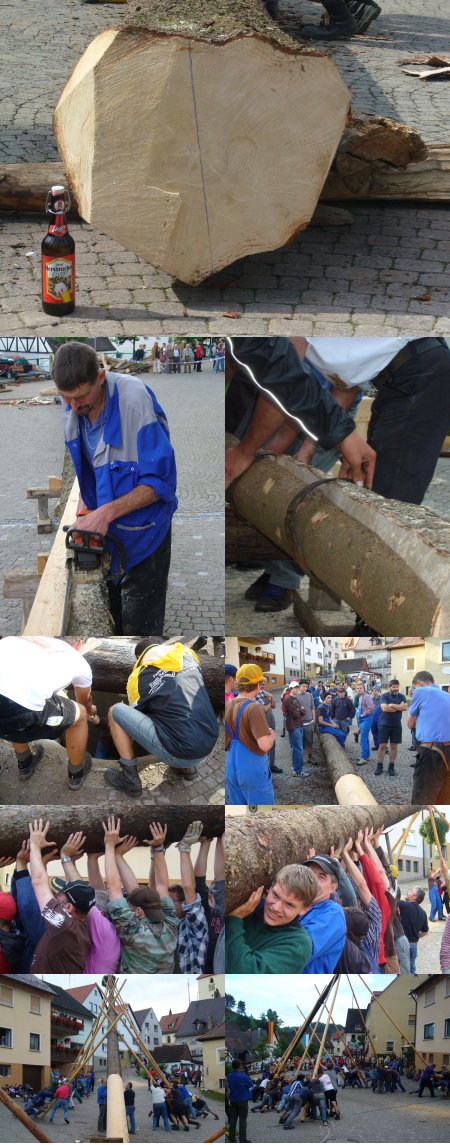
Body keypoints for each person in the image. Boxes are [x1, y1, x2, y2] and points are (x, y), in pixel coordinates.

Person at [226, 335, 450, 613]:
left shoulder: (287, 336)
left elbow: (281, 386)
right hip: (397, 377)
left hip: (419, 375)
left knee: (388, 511)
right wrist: (340, 440)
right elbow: (344, 383)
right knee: (372, 493)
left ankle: (378, 617)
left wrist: (250, 452)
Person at [53, 340, 177, 635]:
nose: (73, 406)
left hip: (146, 532)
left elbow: (161, 483)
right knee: (114, 618)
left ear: (100, 377)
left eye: (81, 397)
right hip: (109, 531)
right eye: (65, 397)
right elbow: (89, 463)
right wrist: (91, 510)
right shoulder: (73, 402)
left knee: (141, 628)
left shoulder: (133, 400)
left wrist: (106, 513)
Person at [106, 640, 219, 792]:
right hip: (209, 741)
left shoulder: (138, 678)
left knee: (115, 711)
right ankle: (188, 770)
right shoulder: (187, 655)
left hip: (180, 752)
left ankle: (129, 779)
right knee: (183, 702)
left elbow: (135, 717)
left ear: (139, 656)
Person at [0, 635, 94, 790]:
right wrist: (90, 710)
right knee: (81, 714)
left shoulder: (11, 640)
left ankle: (25, 764)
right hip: (18, 709)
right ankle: (76, 773)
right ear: (79, 644)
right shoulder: (77, 660)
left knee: (14, 699)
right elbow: (84, 702)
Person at [103, 817, 178, 972]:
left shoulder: (133, 932)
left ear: (138, 911)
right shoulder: (170, 925)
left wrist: (109, 845)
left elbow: (114, 887)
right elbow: (162, 885)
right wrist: (158, 847)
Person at [226, 864, 317, 973]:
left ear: (304, 909)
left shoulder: (299, 944)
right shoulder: (249, 906)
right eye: (275, 895)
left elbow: (245, 971)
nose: (276, 908)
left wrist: (234, 920)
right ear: (269, 889)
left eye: (289, 905)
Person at [28, 820, 93, 973]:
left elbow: (38, 882)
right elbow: (80, 888)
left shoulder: (63, 925)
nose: (56, 895)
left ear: (69, 907)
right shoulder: (79, 923)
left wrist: (34, 845)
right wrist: (66, 857)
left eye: (60, 897)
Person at [225, 664, 275, 805]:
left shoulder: (228, 704)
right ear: (258, 685)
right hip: (251, 769)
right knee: (261, 816)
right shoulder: (254, 708)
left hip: (232, 766)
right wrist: (271, 736)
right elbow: (264, 745)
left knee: (239, 814)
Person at [168, 820, 209, 973]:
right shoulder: (170, 924)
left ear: (183, 902)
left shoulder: (195, 927)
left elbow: (189, 887)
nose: (167, 905)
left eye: (172, 901)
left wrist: (184, 849)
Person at [298, 853, 346, 972]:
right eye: (309, 874)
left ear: (333, 888)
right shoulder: (297, 904)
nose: (312, 881)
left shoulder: (333, 914)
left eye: (321, 877)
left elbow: (297, 951)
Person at [407, 671, 450, 801]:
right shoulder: (447, 695)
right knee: (444, 798)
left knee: (423, 799)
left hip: (431, 752)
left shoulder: (421, 692)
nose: (414, 690)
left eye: (414, 687)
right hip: (448, 752)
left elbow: (410, 723)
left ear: (419, 683)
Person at [376, 679, 407, 777]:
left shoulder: (402, 696)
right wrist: (399, 707)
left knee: (394, 746)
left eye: (397, 686)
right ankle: (379, 766)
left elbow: (405, 708)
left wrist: (392, 705)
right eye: (393, 687)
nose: (395, 689)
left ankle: (391, 766)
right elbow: (384, 708)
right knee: (382, 746)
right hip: (384, 725)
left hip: (396, 725)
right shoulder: (384, 696)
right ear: (390, 687)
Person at [398, 887, 429, 973]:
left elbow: (392, 900)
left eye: (411, 891)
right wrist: (415, 936)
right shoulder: (423, 912)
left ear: (414, 897)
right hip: (414, 945)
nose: (408, 891)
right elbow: (425, 932)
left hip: (403, 945)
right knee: (411, 968)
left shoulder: (404, 905)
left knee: (402, 970)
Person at [283, 682, 309, 778]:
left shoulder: (295, 699)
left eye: (298, 687)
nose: (297, 689)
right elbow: (296, 714)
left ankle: (296, 768)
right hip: (294, 726)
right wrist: (299, 710)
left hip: (298, 725)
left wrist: (299, 710)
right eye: (295, 688)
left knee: (296, 748)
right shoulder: (288, 700)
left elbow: (303, 711)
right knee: (298, 749)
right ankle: (298, 771)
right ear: (290, 688)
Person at [226, 1061, 254, 1143]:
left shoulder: (229, 1076)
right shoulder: (244, 1076)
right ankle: (242, 1139)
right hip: (242, 1101)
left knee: (233, 1120)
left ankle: (231, 1139)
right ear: (239, 1066)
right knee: (242, 1120)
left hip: (233, 1100)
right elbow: (251, 1084)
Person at [354, 681, 375, 766]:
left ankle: (364, 758)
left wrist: (364, 714)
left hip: (366, 719)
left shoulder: (366, 696)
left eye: (361, 688)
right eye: (358, 688)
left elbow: (372, 708)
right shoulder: (360, 697)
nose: (359, 689)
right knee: (365, 739)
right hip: (362, 719)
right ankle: (366, 756)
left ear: (364, 688)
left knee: (363, 739)